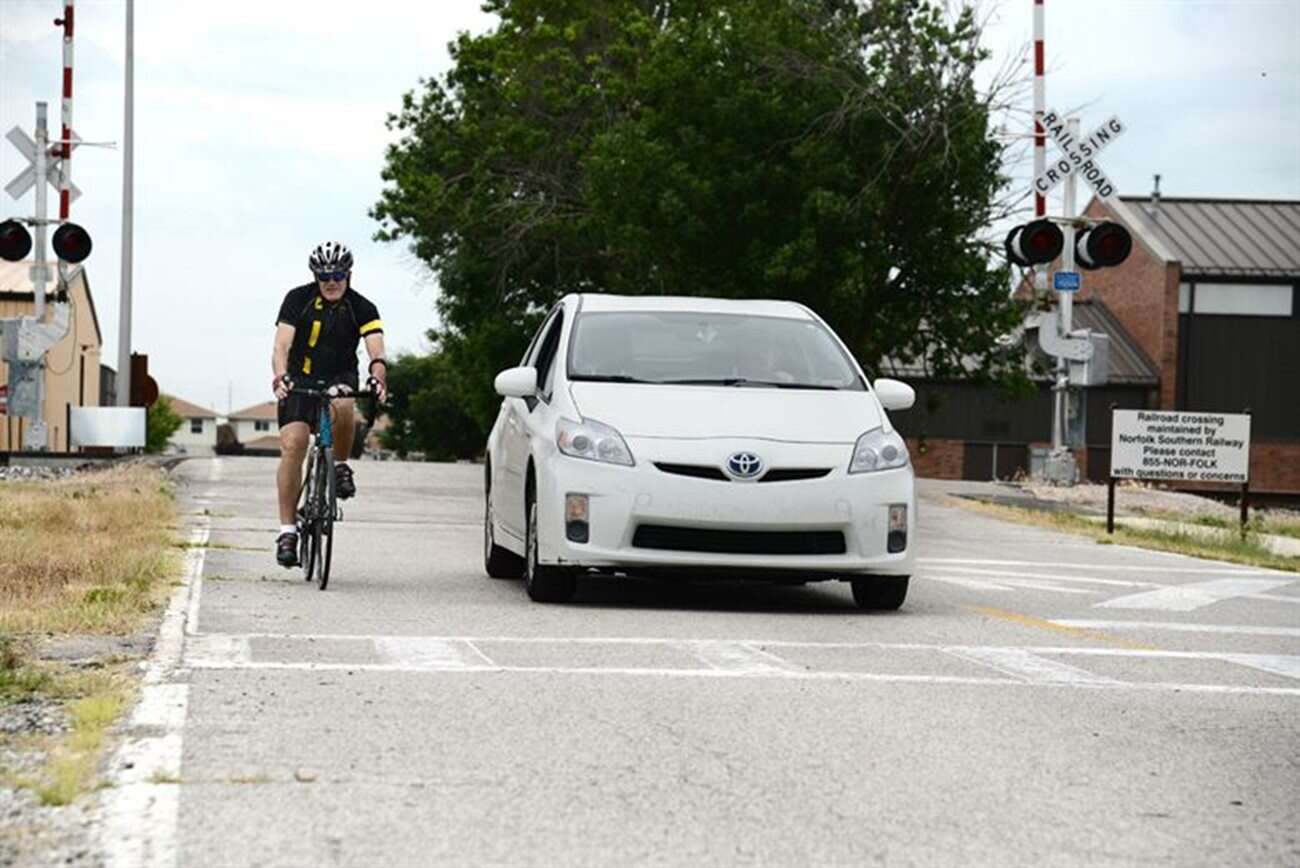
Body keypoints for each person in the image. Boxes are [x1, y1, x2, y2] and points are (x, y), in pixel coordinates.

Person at [271, 241, 387, 567]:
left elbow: (376, 352)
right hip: (300, 380)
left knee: (344, 403)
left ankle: (338, 464)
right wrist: (280, 376)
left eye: (337, 274)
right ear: (315, 276)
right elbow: (281, 346)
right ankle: (288, 530)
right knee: (292, 445)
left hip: (340, 375)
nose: (331, 281)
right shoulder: (298, 299)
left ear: (348, 273)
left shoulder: (362, 307)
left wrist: (379, 377)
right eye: (324, 276)